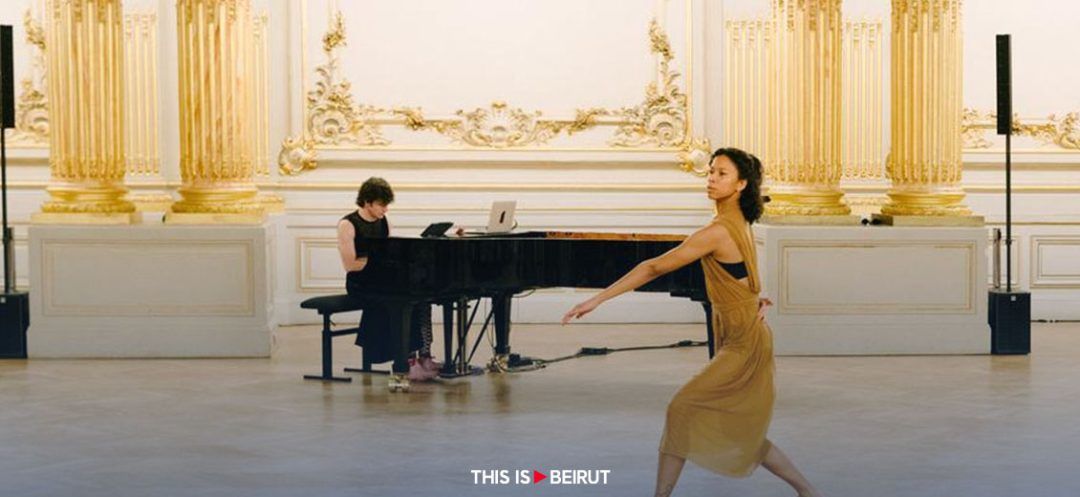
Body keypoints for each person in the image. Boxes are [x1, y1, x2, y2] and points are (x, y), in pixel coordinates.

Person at [561, 148, 821, 497]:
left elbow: (653, 267)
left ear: (742, 184)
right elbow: (742, 274)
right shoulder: (738, 223)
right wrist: (754, 297)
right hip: (742, 334)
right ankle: (809, 493)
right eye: (711, 172)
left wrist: (596, 298)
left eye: (722, 174)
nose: (712, 179)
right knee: (738, 430)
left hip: (744, 343)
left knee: (681, 408)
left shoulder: (718, 231)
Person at [338, 177, 440, 382]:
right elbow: (350, 265)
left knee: (419, 299)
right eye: (381, 205)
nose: (385, 210)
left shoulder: (384, 222)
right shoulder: (348, 224)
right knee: (402, 301)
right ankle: (405, 362)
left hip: (379, 279)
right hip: (360, 284)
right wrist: (378, 261)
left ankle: (422, 356)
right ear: (367, 202)